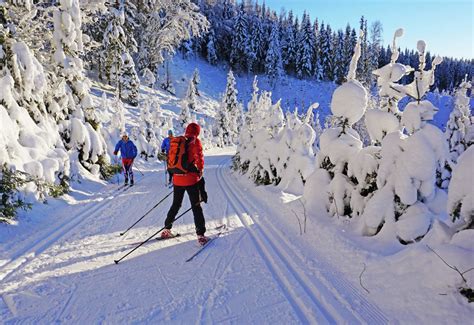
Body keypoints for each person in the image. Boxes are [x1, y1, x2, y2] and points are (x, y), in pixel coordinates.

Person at [162, 123, 208, 245]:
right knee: (196, 206)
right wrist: (200, 170)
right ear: (197, 132)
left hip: (177, 178)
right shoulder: (195, 141)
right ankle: (200, 235)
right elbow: (199, 158)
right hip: (190, 179)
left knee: (176, 204)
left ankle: (166, 229)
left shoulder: (179, 141)